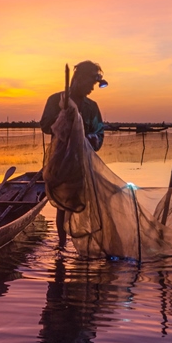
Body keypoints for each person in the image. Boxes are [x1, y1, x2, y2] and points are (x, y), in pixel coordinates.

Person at [39, 60, 108, 248]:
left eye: (94, 85)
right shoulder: (56, 100)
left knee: (84, 202)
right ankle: (61, 245)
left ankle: (86, 242)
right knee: (62, 203)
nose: (91, 89)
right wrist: (63, 115)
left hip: (83, 163)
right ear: (78, 78)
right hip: (60, 161)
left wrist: (94, 138)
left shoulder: (91, 107)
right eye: (90, 83)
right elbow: (45, 125)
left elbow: (99, 132)